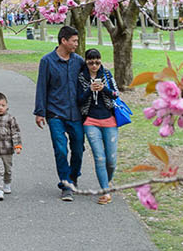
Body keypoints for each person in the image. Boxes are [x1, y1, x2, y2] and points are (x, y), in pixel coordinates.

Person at [34, 24, 85, 201]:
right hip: (55, 113)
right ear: (63, 41)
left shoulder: (79, 61)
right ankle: (66, 185)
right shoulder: (47, 61)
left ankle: (73, 176)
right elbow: (41, 87)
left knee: (78, 149)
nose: (76, 44)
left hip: (76, 113)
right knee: (61, 149)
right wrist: (40, 112)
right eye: (74, 41)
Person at [77, 48, 120, 205]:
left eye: (97, 62)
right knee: (99, 157)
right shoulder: (81, 77)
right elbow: (79, 100)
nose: (94, 66)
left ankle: (106, 182)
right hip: (91, 121)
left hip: (109, 120)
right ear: (86, 62)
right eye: (91, 63)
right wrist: (90, 90)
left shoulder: (106, 74)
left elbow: (116, 94)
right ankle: (105, 191)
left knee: (111, 160)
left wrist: (104, 89)